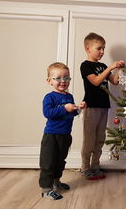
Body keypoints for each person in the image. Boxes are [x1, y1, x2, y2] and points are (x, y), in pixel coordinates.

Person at [80, 32, 125, 180]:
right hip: (91, 107)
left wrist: (117, 69)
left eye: (103, 48)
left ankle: (95, 166)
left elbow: (115, 81)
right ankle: (85, 167)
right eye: (99, 48)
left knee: (100, 138)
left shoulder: (103, 66)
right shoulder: (85, 66)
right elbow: (96, 81)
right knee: (89, 139)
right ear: (88, 48)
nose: (102, 52)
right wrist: (110, 67)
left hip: (103, 107)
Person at [39, 62, 86, 200]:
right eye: (58, 78)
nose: (63, 81)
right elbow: (48, 113)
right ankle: (46, 189)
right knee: (48, 162)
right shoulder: (50, 97)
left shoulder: (69, 96)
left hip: (65, 135)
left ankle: (56, 182)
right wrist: (64, 108)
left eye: (66, 78)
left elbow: (70, 114)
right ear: (49, 81)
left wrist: (78, 108)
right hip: (51, 135)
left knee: (60, 161)